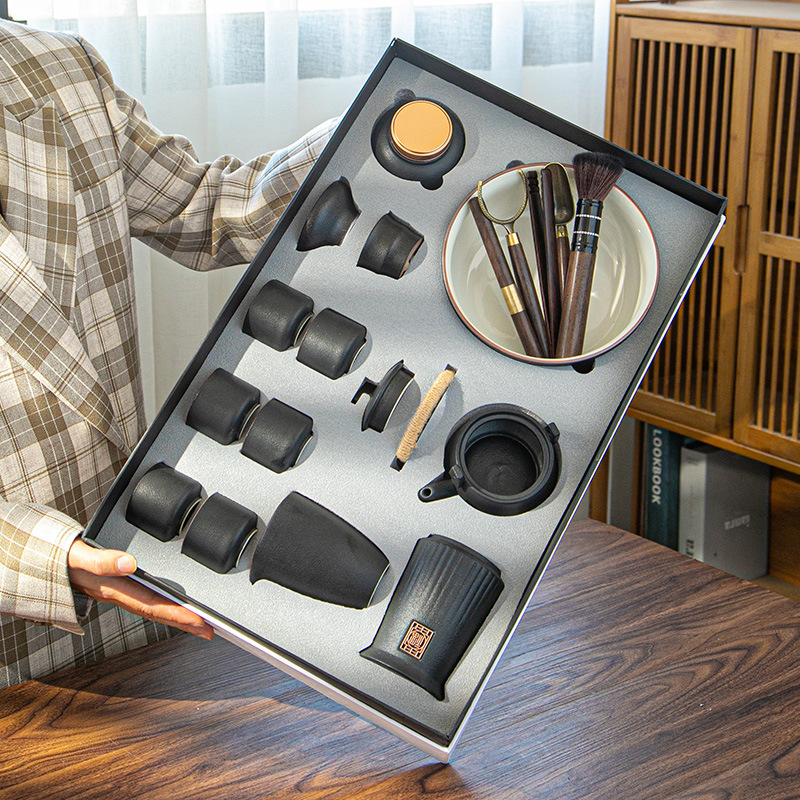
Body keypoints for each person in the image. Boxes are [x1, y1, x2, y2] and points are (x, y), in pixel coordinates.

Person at [0, 18, 336, 689]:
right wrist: (45, 557)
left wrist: (370, 129)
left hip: (134, 596)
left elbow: (209, 209)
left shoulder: (57, 68)